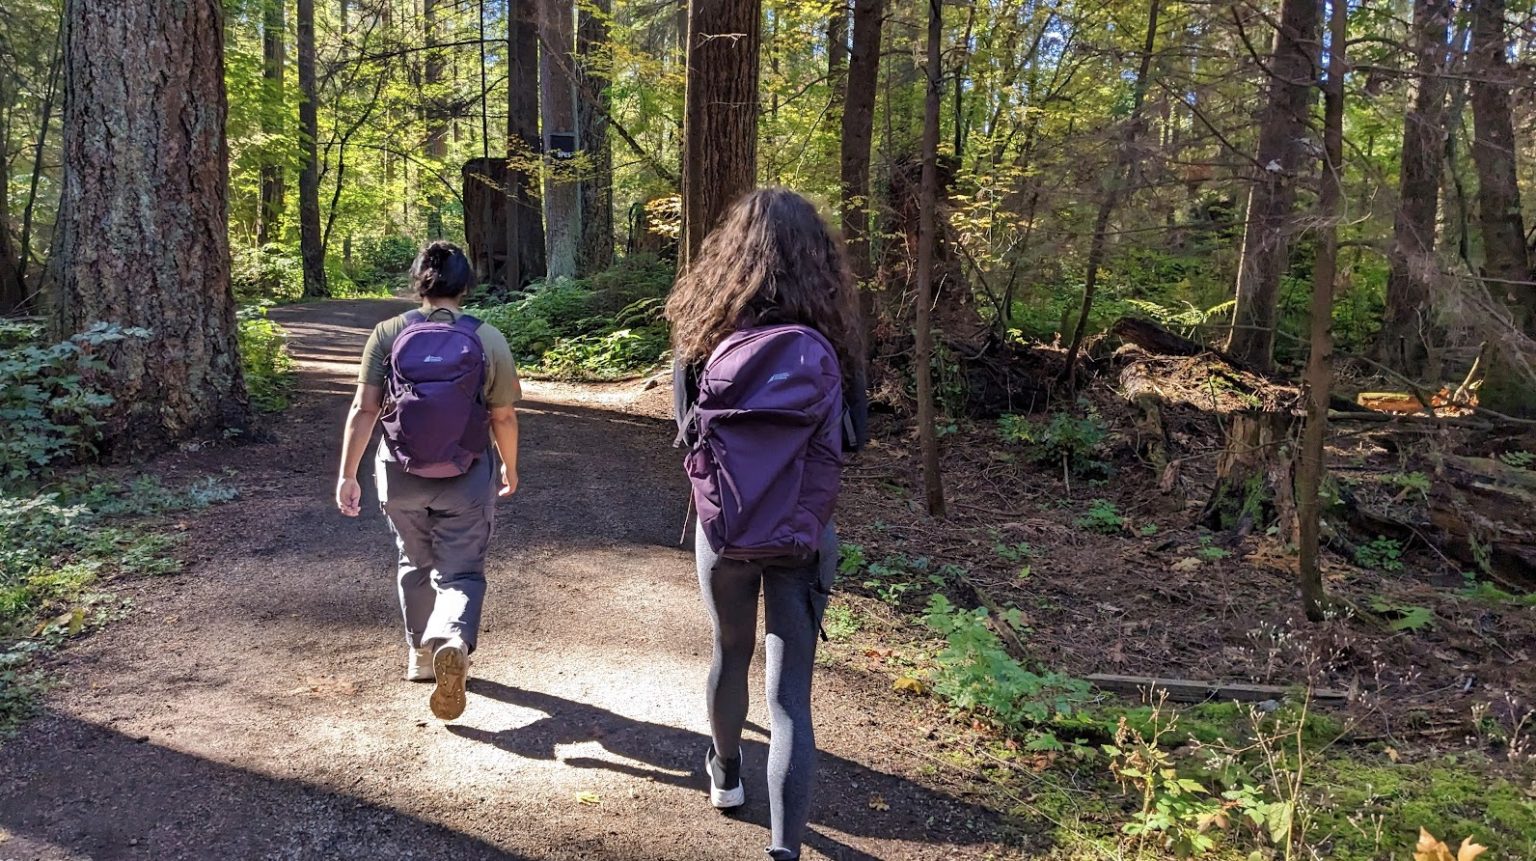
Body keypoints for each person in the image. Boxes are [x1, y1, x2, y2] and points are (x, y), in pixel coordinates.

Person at [670, 188, 868, 861]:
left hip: (724, 528)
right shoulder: (833, 338)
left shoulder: (703, 332)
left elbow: (685, 432)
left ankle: (726, 774)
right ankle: (784, 849)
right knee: (790, 701)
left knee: (730, 651)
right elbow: (855, 437)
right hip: (803, 532)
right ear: (819, 259)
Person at [335, 241, 521, 721]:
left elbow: (365, 409)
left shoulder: (387, 333)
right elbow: (502, 415)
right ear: (466, 285)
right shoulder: (487, 337)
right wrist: (509, 464)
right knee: (462, 571)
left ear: (418, 281)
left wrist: (348, 473)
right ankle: (453, 639)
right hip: (466, 471)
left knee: (413, 560)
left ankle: (420, 655)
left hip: (400, 471)